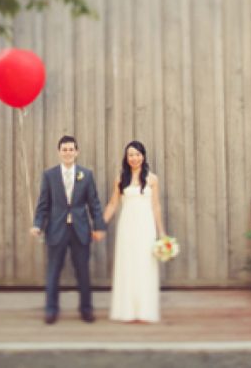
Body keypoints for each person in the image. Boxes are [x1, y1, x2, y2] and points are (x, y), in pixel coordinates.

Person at [31, 135, 107, 324]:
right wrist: (37, 224)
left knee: (83, 272)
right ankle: (51, 310)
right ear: (59, 152)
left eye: (71, 149)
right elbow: (43, 204)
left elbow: (94, 204)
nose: (68, 152)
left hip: (80, 230)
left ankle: (86, 309)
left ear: (76, 152)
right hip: (56, 230)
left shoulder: (86, 175)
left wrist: (98, 226)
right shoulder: (49, 175)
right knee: (53, 271)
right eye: (64, 149)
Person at [103, 140, 167, 323]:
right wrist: (100, 224)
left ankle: (145, 310)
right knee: (128, 264)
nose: (134, 158)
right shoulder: (120, 178)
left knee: (145, 264)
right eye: (131, 154)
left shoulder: (152, 179)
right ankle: (127, 310)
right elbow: (113, 204)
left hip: (146, 226)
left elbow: (156, 206)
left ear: (143, 156)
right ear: (126, 157)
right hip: (127, 226)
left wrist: (161, 232)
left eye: (137, 154)